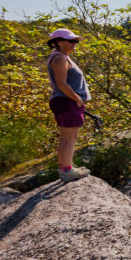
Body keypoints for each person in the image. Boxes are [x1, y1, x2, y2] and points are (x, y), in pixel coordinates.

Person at [47, 28, 91, 181]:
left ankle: (66, 168)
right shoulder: (60, 59)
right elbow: (62, 83)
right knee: (69, 138)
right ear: (58, 42)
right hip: (67, 101)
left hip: (64, 101)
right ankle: (67, 171)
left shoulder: (61, 57)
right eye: (71, 41)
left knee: (68, 137)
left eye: (75, 41)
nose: (74, 44)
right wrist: (77, 98)